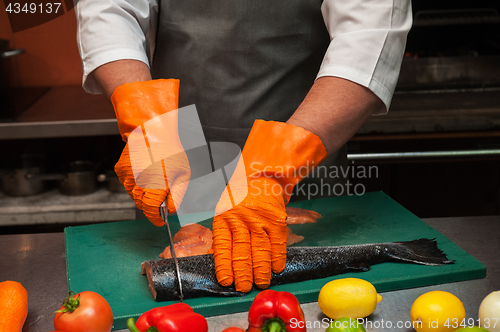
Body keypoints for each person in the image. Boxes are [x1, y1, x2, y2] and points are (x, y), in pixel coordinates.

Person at [75, 0, 412, 293]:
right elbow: (109, 8)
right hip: (175, 155)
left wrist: (273, 171)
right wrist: (146, 121)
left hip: (305, 154)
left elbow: (369, 36)